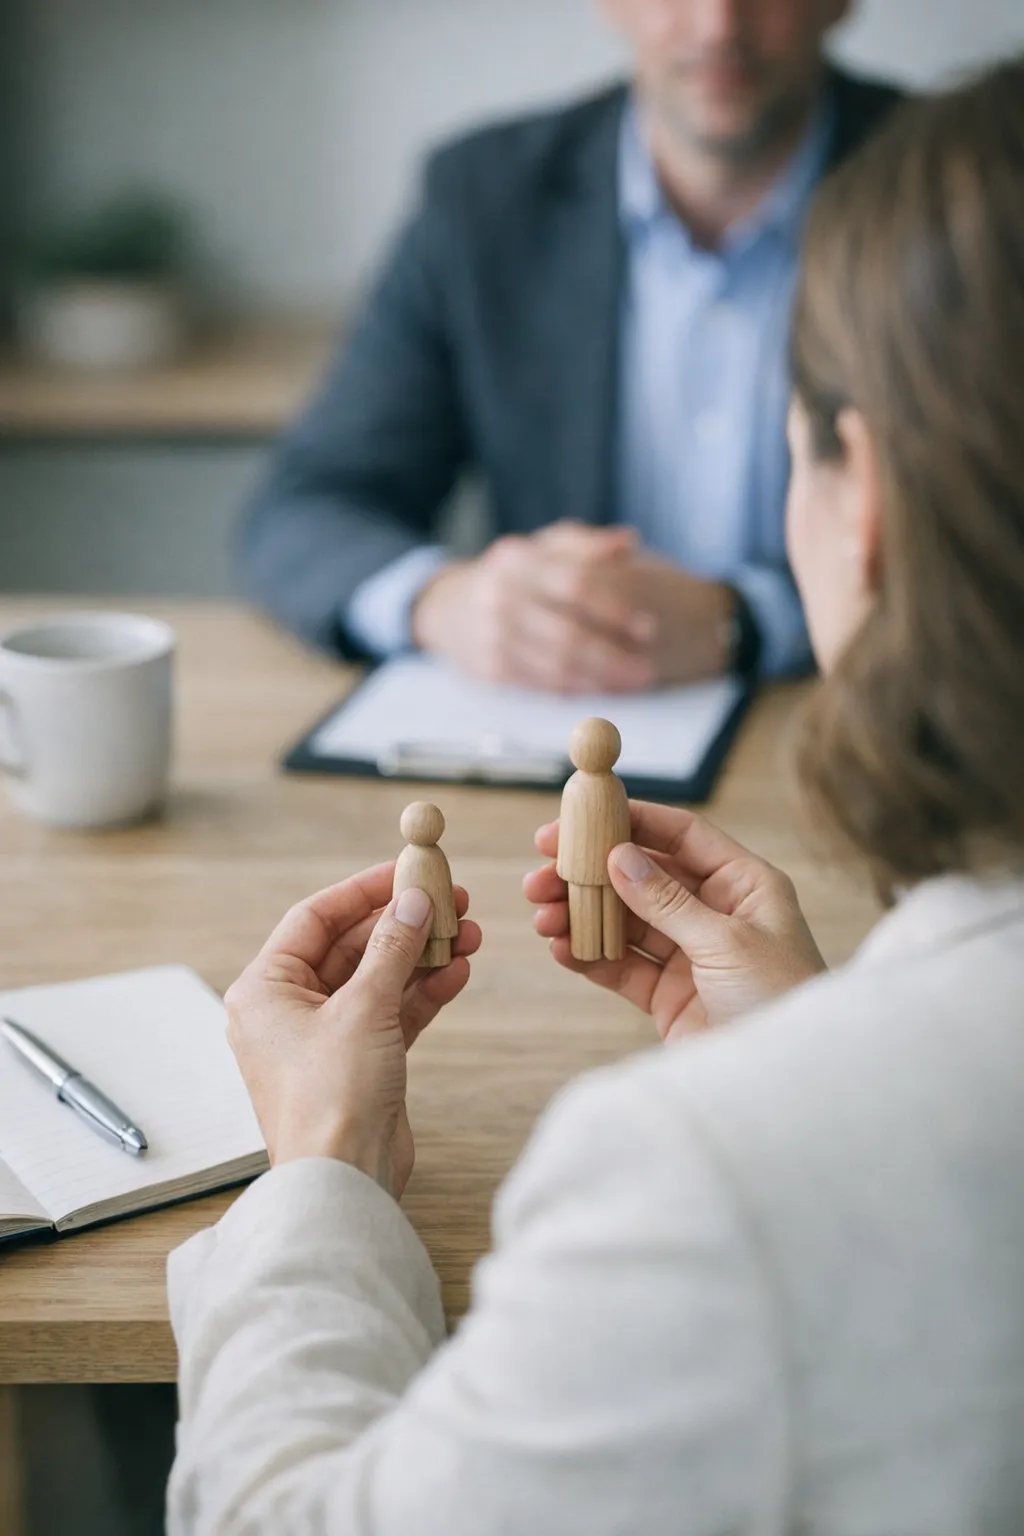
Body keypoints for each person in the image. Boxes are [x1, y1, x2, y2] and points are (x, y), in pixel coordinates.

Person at [169, 60, 1024, 1533]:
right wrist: (818, 1043)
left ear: (858, 499)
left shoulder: (696, 1180)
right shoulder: (485, 189)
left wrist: (318, 1178)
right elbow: (306, 502)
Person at [239, 1, 900, 693]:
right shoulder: (483, 196)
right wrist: (443, 603)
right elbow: (307, 505)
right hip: (565, 750)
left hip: (859, 734)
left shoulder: (961, 191)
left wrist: (746, 621)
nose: (717, 25)